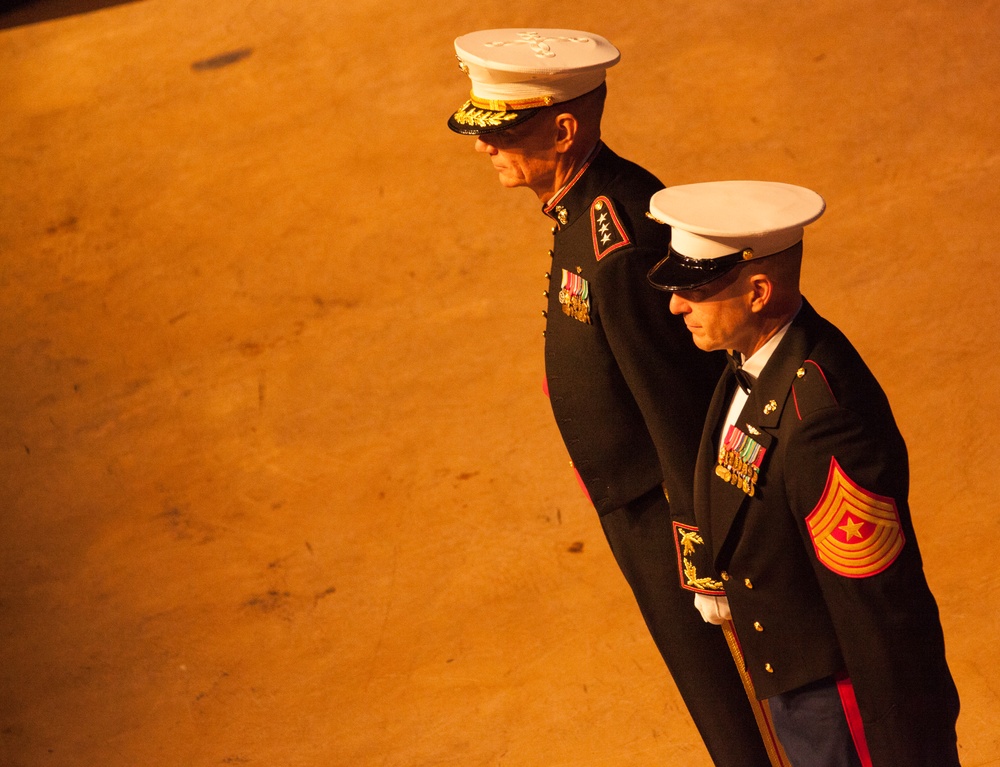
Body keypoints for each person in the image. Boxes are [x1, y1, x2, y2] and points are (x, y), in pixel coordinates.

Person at [447, 29, 777, 766]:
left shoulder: (617, 238)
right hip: (632, 502)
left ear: (564, 129)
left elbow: (676, 404)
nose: (483, 147)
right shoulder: (578, 210)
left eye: (503, 131)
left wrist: (703, 556)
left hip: (665, 512)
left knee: (735, 705)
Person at [646, 179, 962, 766]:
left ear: (759, 292)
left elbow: (878, 610)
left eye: (695, 290)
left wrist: (904, 750)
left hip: (844, 707)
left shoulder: (822, 419)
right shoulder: (750, 363)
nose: (675, 306)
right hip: (794, 683)